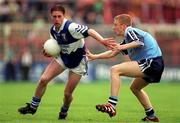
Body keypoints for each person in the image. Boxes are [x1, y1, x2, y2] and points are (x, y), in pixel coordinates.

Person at [18, 4, 111, 119]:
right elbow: (55, 46)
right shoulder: (52, 30)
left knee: (67, 94)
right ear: (51, 16)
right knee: (43, 80)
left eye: (59, 16)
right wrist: (48, 52)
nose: (56, 19)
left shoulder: (71, 27)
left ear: (64, 16)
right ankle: (32, 107)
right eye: (54, 16)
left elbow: (90, 30)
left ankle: (63, 111)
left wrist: (102, 40)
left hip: (78, 61)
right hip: (63, 57)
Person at [87, 14, 164, 122]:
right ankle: (151, 115)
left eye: (115, 25)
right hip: (155, 63)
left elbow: (139, 42)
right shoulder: (128, 39)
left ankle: (111, 105)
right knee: (135, 88)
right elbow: (113, 53)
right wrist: (95, 56)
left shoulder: (130, 31)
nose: (113, 27)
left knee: (115, 70)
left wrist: (121, 47)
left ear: (123, 26)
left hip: (152, 62)